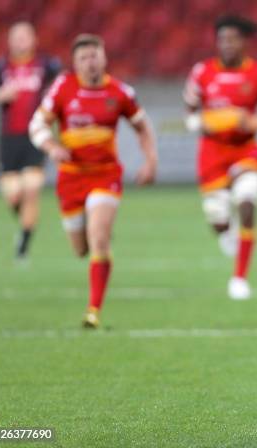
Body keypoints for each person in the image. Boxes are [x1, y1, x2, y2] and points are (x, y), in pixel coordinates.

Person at [28, 34, 158, 328]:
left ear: (104, 58)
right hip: (71, 179)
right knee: (80, 249)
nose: (90, 62)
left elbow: (143, 127)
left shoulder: (120, 91)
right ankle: (97, 235)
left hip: (105, 175)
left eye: (94, 56)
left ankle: (93, 310)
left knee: (99, 237)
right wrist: (52, 147)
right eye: (83, 58)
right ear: (75, 63)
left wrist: (150, 160)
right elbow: (37, 124)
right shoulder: (63, 87)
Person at [183, 15, 257, 300]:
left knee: (248, 200)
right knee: (218, 221)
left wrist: (256, 123)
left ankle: (239, 277)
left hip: (245, 151)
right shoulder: (201, 73)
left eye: (232, 39)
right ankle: (229, 233)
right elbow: (189, 113)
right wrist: (204, 123)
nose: (227, 45)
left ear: (243, 42)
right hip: (212, 154)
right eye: (222, 39)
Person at [0, 22, 61, 259]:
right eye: (15, 36)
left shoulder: (46, 65)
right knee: (12, 193)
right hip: (9, 139)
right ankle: (26, 224)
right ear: (9, 41)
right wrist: (0, 95)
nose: (20, 41)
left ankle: (24, 243)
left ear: (34, 39)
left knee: (31, 188)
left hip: (35, 136)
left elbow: (61, 89)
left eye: (24, 36)